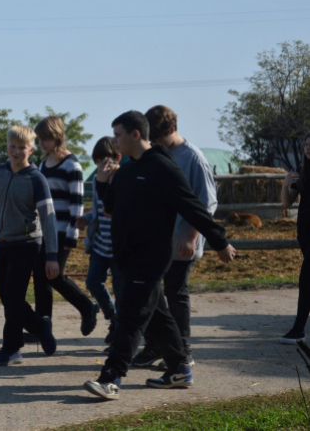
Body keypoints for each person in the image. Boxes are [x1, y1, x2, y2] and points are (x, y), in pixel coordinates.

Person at [83, 111, 236, 400]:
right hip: (126, 257)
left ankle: (111, 377)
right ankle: (180, 369)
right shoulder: (126, 170)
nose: (114, 141)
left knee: (130, 315)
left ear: (136, 134)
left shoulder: (165, 169)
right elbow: (110, 209)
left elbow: (193, 206)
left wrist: (219, 241)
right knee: (156, 314)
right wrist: (103, 183)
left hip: (151, 258)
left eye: (118, 135)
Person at [0, 125, 61, 366]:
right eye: (12, 147)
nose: (16, 152)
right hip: (1, 243)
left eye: (21, 148)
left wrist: (52, 255)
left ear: (31, 150)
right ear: (6, 147)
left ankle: (9, 347)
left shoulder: (36, 179)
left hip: (27, 244)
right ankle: (38, 326)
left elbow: (48, 218)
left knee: (14, 297)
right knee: (8, 298)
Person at [131, 105, 218, 369]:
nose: (153, 143)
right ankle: (156, 345)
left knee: (176, 292)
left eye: (157, 138)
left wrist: (191, 236)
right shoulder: (157, 153)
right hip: (158, 240)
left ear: (171, 130)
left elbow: (207, 202)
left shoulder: (193, 158)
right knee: (151, 294)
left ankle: (184, 350)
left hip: (183, 242)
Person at [30, 116, 99, 338]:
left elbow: (77, 204)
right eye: (39, 139)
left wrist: (72, 235)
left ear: (57, 136)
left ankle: (87, 307)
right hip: (45, 232)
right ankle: (42, 327)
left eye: (46, 138)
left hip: (64, 232)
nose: (42, 143)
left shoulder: (72, 164)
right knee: (41, 279)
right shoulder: (42, 165)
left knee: (55, 276)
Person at [76, 137, 124, 346]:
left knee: (121, 289)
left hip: (120, 247)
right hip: (100, 245)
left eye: (107, 159)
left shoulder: (123, 179)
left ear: (117, 158)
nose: (103, 165)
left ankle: (119, 329)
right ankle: (112, 315)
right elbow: (97, 210)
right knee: (93, 282)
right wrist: (85, 219)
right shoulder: (97, 180)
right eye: (98, 161)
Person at [280, 132, 310, 344]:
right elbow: (286, 204)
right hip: (305, 233)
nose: (308, 148)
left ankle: (298, 329)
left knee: (306, 280)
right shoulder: (302, 171)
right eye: (306, 145)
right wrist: (285, 184)